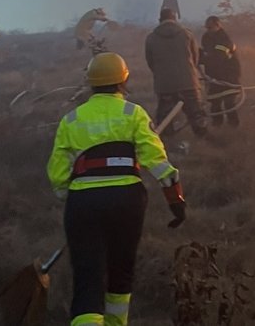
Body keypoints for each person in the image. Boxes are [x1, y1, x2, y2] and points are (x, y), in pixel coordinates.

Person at [47, 52, 186, 326]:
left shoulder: (71, 120)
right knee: (121, 271)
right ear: (124, 79)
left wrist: (70, 196)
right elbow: (156, 161)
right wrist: (175, 201)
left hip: (84, 201)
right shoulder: (133, 114)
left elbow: (58, 173)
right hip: (127, 201)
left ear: (90, 83)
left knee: (88, 277)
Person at [145, 8, 208, 138]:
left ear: (160, 20)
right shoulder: (187, 34)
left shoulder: (151, 38)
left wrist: (162, 74)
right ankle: (204, 141)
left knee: (166, 118)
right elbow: (195, 57)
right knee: (197, 114)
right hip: (188, 82)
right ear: (175, 19)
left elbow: (150, 62)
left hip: (164, 85)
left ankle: (167, 143)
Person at [200, 16, 241, 127]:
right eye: (207, 28)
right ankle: (217, 125)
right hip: (213, 76)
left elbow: (219, 56)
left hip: (228, 76)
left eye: (210, 27)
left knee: (229, 103)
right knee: (215, 103)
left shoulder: (224, 39)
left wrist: (204, 58)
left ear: (218, 25)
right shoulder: (206, 38)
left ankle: (233, 125)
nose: (208, 30)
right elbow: (204, 53)